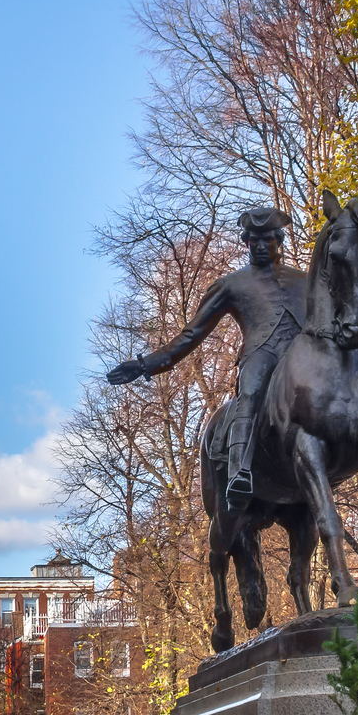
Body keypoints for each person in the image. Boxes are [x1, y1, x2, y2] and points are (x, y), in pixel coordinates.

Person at [107, 207, 303, 512]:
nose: (262, 246)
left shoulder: (304, 280)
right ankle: (240, 472)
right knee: (250, 394)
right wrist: (146, 364)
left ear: (279, 240)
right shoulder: (231, 285)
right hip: (261, 354)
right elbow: (191, 334)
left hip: (303, 356)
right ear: (246, 243)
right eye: (254, 240)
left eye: (268, 240)